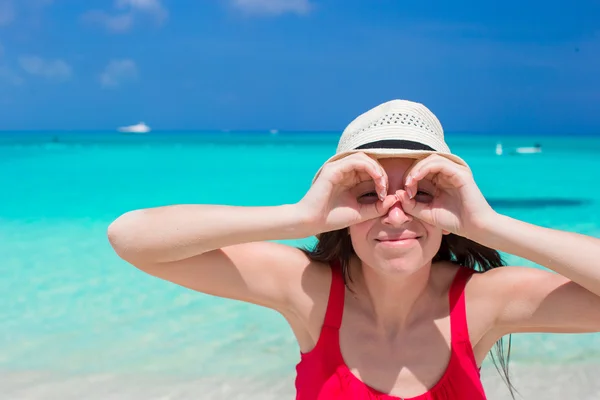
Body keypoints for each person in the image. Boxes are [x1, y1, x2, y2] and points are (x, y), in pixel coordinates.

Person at [107, 100, 600, 399]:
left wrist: (488, 224)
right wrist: (300, 217)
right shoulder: (310, 292)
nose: (396, 213)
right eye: (370, 193)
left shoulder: (482, 303)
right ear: (340, 208)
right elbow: (131, 237)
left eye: (421, 194)